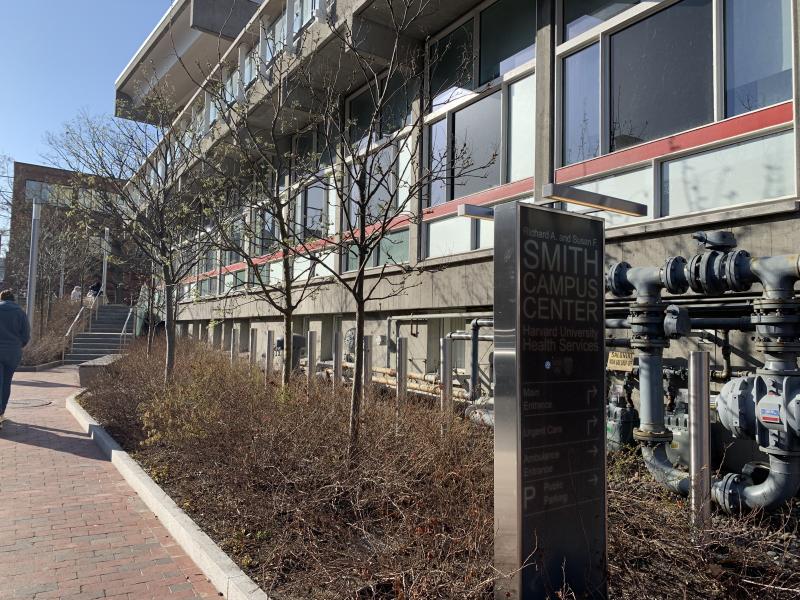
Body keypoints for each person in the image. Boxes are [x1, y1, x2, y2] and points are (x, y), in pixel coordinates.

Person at [0, 290, 30, 429]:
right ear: (14, 299)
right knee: (6, 382)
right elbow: (26, 334)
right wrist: (19, 344)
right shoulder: (20, 312)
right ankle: (1, 413)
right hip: (13, 351)